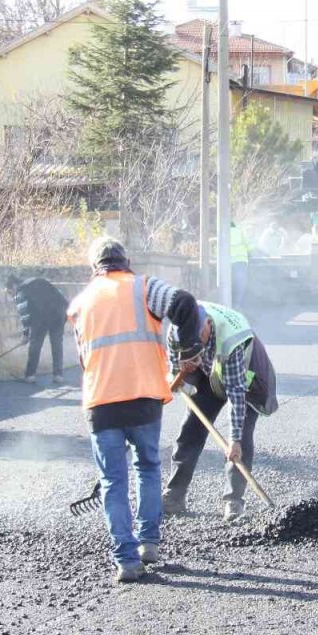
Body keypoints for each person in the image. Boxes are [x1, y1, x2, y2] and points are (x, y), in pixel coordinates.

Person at [66, 236, 198, 583]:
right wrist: (187, 353)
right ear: (125, 260)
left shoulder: (80, 303)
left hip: (101, 402)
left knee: (113, 481)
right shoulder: (144, 288)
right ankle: (149, 542)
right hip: (144, 398)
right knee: (148, 468)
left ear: (94, 266)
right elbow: (185, 304)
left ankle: (126, 560)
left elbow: (84, 359)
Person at [163, 300, 278, 523]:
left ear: (207, 325)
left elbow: (237, 395)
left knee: (241, 437)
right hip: (208, 373)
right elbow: (174, 373)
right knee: (190, 429)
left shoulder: (232, 340)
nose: (193, 345)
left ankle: (233, 500)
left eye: (197, 341)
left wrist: (233, 440)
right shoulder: (175, 331)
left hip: (246, 376)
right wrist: (181, 376)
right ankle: (174, 496)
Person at [5, 274, 69, 385]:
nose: (12, 296)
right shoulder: (40, 281)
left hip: (41, 317)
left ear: (14, 286)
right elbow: (61, 297)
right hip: (59, 313)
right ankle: (58, 376)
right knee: (57, 344)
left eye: (10, 292)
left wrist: (25, 334)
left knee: (35, 345)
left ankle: (30, 376)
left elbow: (24, 315)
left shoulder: (21, 291)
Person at [230, 222, 251, 309]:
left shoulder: (221, 232)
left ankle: (229, 302)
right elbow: (249, 245)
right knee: (240, 283)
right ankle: (237, 304)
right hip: (241, 261)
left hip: (228, 263)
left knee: (230, 283)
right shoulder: (240, 231)